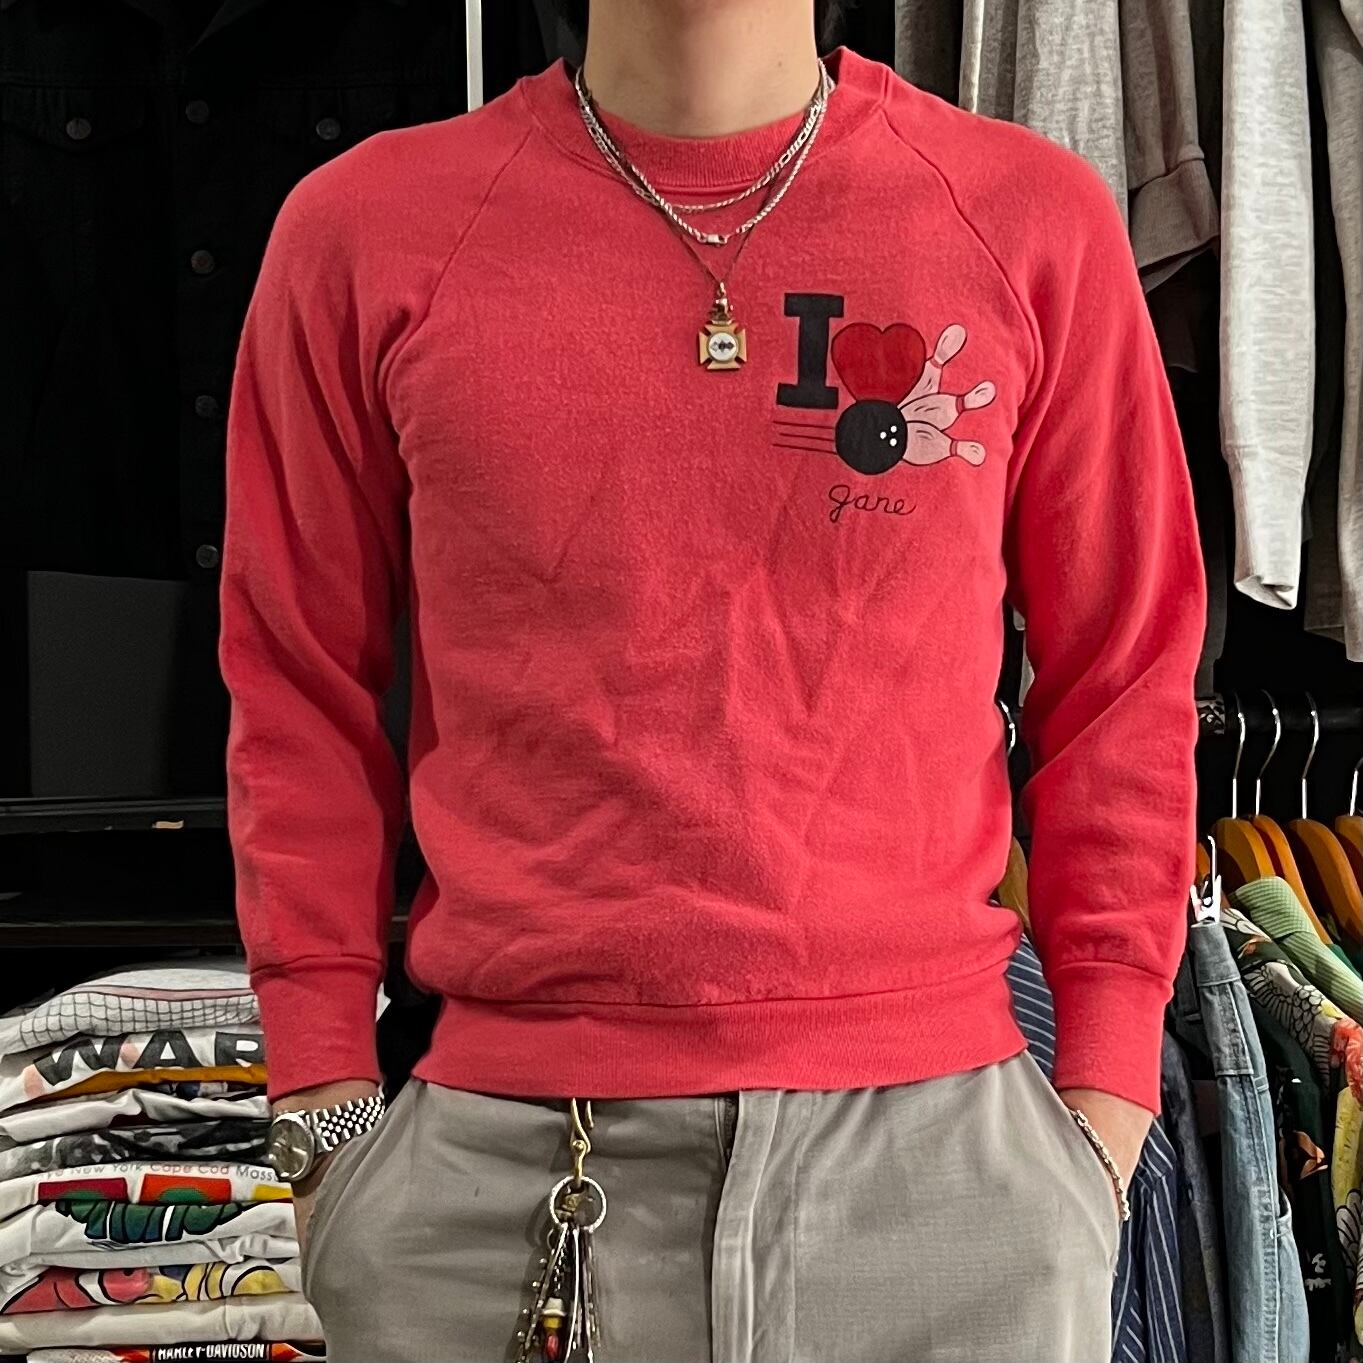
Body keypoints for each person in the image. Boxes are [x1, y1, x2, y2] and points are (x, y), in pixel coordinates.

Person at [218, 1, 1206, 1359]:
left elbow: (1124, 676)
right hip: (494, 1189)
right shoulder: (365, 231)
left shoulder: (1027, 219)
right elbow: (295, 685)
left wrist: (1102, 1116)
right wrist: (325, 1117)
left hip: (949, 1195)